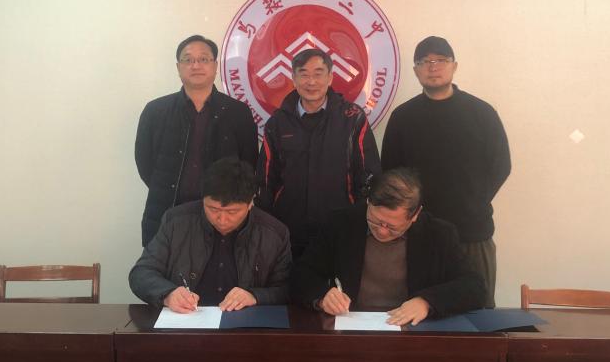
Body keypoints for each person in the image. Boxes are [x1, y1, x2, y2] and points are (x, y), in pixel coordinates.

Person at [381, 36, 510, 307]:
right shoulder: (403, 117)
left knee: (478, 311)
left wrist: (474, 201)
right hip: (419, 235)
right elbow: (390, 173)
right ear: (415, 70)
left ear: (454, 66)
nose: (433, 67)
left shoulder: (481, 113)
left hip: (471, 232)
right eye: (424, 62)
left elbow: (501, 165)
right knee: (417, 311)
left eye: (441, 60)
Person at [290, 168, 486, 324]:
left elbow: (474, 286)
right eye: (375, 221)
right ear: (368, 202)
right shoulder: (341, 223)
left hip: (412, 330)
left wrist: (427, 302)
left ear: (415, 215)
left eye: (392, 227)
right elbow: (302, 273)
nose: (382, 232)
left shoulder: (438, 234)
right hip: (352, 325)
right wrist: (322, 296)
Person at [135, 35, 258, 245]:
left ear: (215, 66)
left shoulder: (238, 112)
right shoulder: (155, 111)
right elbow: (145, 163)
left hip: (221, 216)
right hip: (166, 212)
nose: (196, 65)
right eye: (188, 59)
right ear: (178, 67)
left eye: (203, 59)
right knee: (163, 265)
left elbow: (248, 163)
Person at [257, 47, 380, 258]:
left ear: (330, 77)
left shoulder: (352, 118)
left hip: (339, 228)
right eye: (303, 74)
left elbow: (369, 174)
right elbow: (266, 180)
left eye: (318, 73)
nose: (311, 82)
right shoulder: (277, 123)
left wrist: (358, 221)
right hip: (288, 230)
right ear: (294, 79)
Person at [129, 157, 291, 311]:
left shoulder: (274, 234)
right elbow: (141, 273)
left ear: (250, 203)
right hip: (188, 321)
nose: (222, 219)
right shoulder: (176, 222)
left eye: (232, 212)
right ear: (203, 200)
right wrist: (168, 293)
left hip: (245, 324)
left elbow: (286, 289)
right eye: (213, 209)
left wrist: (255, 296)